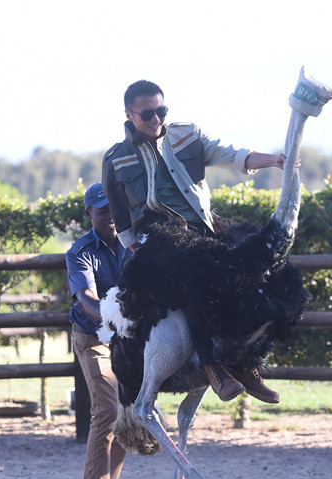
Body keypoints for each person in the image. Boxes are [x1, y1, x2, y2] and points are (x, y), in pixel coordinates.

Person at [102, 79, 290, 405]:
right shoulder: (116, 158)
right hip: (158, 240)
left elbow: (232, 155)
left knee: (257, 268)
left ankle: (246, 363)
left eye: (161, 110)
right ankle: (211, 366)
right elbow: (120, 217)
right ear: (129, 115)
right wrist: (139, 251)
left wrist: (274, 160)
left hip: (203, 230)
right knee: (189, 277)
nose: (156, 118)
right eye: (147, 114)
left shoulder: (187, 135)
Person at [66, 182, 134, 479]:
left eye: (114, 209)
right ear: (89, 214)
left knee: (127, 409)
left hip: (127, 338)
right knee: (107, 409)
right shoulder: (79, 252)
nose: (110, 216)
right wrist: (115, 317)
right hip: (93, 336)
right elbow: (87, 298)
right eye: (102, 210)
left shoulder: (135, 244)